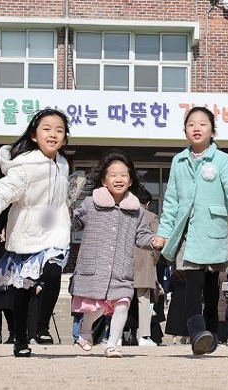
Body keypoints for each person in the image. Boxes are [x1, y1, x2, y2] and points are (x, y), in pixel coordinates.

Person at [0, 108, 71, 357]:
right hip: (27, 232)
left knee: (52, 272)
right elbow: (3, 191)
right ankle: (20, 339)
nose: (53, 134)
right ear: (34, 135)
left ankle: (41, 327)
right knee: (23, 289)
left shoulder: (63, 163)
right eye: (46, 129)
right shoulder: (24, 166)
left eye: (59, 130)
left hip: (55, 229)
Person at [153, 106, 228, 356]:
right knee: (192, 281)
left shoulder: (222, 159)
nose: (196, 128)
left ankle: (211, 333)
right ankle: (197, 331)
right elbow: (171, 200)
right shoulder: (178, 160)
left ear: (212, 130)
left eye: (202, 124)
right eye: (191, 124)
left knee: (211, 286)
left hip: (213, 229)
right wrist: (164, 232)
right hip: (188, 232)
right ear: (185, 130)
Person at [70, 150, 156, 358]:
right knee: (97, 308)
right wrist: (67, 212)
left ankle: (112, 344)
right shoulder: (91, 203)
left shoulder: (136, 210)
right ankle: (84, 330)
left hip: (121, 269)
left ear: (130, 179)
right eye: (113, 175)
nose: (119, 179)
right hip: (96, 268)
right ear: (103, 180)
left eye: (124, 175)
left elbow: (142, 236)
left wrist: (154, 241)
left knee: (122, 303)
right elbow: (76, 223)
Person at [131, 188, 160, 347]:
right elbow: (157, 243)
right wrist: (154, 261)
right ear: (147, 203)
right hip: (145, 262)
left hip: (126, 261)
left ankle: (117, 334)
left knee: (122, 299)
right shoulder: (151, 217)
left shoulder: (127, 214)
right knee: (144, 300)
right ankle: (144, 336)